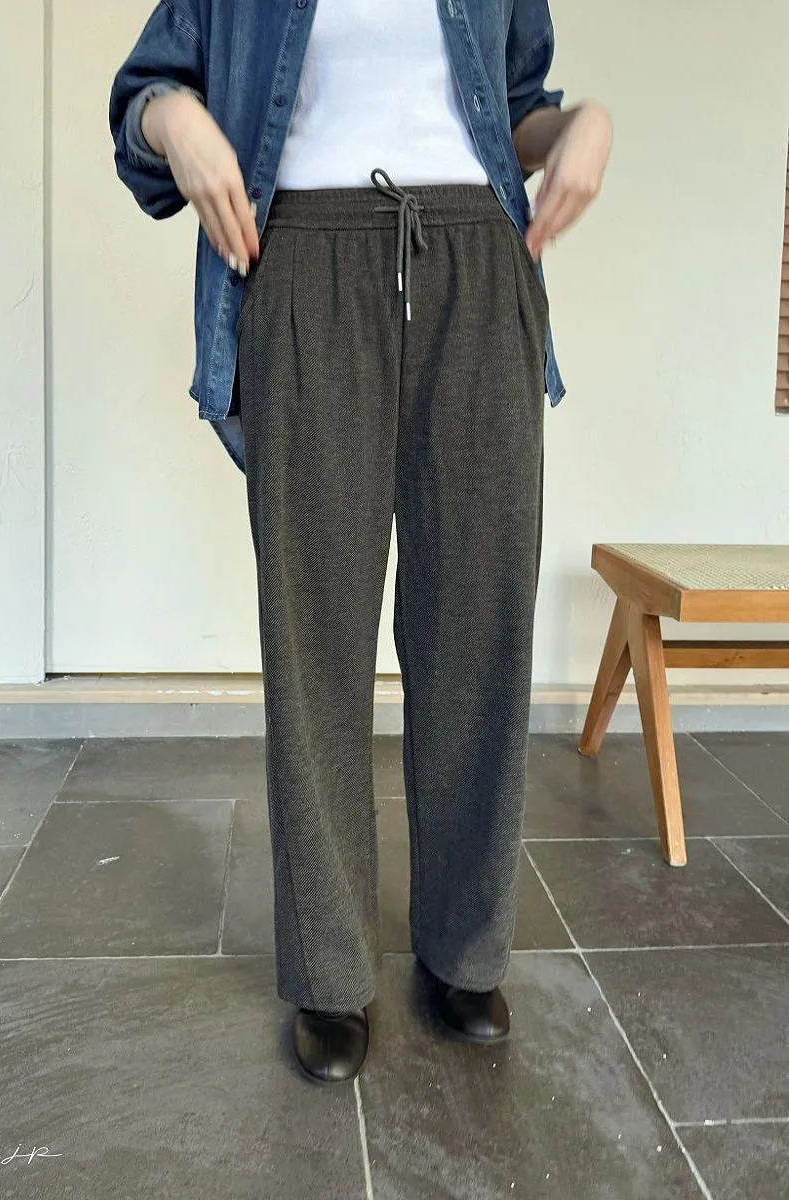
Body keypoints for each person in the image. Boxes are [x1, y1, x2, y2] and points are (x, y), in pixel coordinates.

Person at [110, 0, 612, 1085]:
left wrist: (582, 125)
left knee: (477, 625)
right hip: (303, 261)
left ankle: (465, 948)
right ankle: (330, 971)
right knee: (316, 635)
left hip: (477, 266)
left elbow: (518, 107)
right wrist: (178, 120)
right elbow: (141, 98)